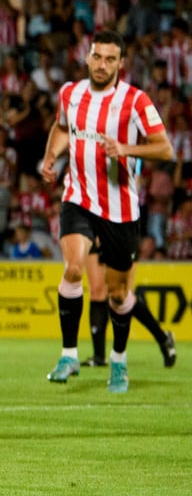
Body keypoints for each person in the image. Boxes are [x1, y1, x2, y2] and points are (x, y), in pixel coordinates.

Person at [39, 29, 172, 393]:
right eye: (97, 57)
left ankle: (118, 360)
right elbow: (63, 127)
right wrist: (51, 157)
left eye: (110, 59)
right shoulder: (70, 93)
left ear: (121, 63)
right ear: (88, 56)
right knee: (72, 268)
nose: (102, 65)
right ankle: (69, 355)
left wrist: (127, 149)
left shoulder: (135, 100)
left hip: (120, 208)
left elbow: (165, 149)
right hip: (78, 196)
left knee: (117, 295)